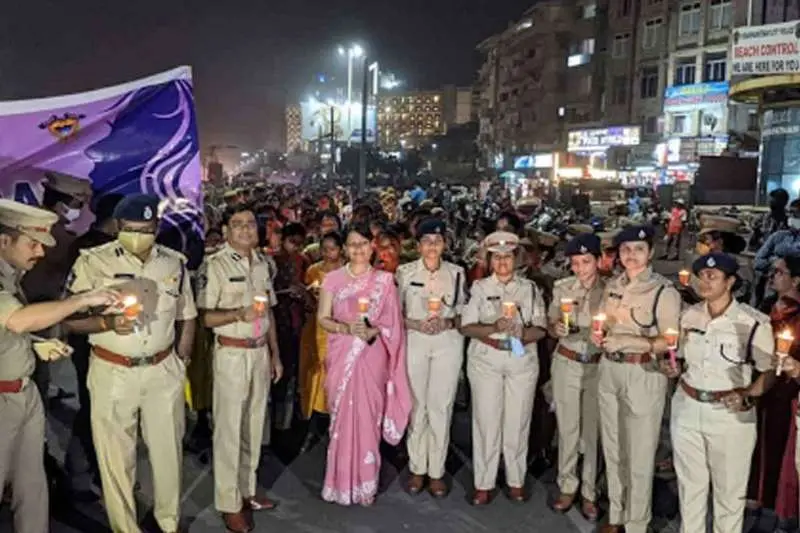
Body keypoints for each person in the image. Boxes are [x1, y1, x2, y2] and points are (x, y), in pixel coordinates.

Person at [64, 194, 197, 533]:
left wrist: (182, 357)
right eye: (131, 229)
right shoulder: (94, 262)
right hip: (112, 370)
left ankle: (168, 523)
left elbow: (187, 314)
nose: (138, 236)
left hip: (162, 370)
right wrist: (106, 323)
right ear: (117, 227)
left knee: (168, 454)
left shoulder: (173, 263)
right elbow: (70, 320)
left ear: (157, 228)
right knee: (115, 458)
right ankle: (125, 527)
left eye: (146, 230)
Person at [0, 199, 118, 533]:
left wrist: (36, 346)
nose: (40, 252)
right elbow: (17, 320)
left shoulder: (11, 275)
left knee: (32, 483)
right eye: (32, 243)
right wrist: (82, 300)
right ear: (4, 241)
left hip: (23, 392)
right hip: (3, 399)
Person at [663, 252, 775, 533]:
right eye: (702, 276)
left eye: (712, 276)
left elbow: (769, 371)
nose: (705, 281)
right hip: (687, 409)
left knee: (729, 496)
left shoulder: (753, 323)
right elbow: (679, 357)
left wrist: (748, 393)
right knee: (690, 490)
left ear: (730, 281)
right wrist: (672, 366)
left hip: (730, 417)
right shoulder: (688, 316)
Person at [196, 204, 283, 533]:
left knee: (254, 425)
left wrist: (275, 354)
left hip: (259, 352)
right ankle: (229, 503)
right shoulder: (214, 265)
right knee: (229, 430)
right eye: (238, 224)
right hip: (231, 353)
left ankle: (248, 490)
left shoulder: (264, 263)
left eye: (250, 224)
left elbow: (269, 312)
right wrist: (236, 315)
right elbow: (204, 317)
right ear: (226, 230)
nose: (246, 229)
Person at [591, 225, 681, 533]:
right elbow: (603, 324)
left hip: (642, 372)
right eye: (625, 249)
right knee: (613, 446)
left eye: (638, 249)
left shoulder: (663, 292)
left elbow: (671, 340)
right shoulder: (613, 286)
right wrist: (599, 335)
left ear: (650, 252)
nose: (631, 255)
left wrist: (632, 343)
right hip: (610, 370)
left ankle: (636, 523)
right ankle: (616, 514)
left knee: (640, 453)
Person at [315, 222, 412, 506]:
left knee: (369, 417)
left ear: (372, 247)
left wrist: (374, 330)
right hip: (342, 352)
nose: (358, 249)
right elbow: (322, 318)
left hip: (372, 354)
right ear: (345, 249)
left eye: (363, 243)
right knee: (341, 418)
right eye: (352, 244)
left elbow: (393, 323)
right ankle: (340, 483)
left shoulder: (385, 281)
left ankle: (365, 484)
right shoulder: (333, 279)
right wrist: (346, 329)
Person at [460, 231, 548, 505]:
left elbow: (541, 328)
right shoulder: (479, 288)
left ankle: (515, 479)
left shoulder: (529, 289)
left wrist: (523, 333)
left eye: (507, 257)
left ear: (516, 259)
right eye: (496, 257)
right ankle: (483, 482)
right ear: (489, 260)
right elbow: (466, 326)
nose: (502, 262)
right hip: (487, 358)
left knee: (518, 421)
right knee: (486, 421)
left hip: (521, 358)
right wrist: (493, 327)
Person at [396, 218, 467, 498]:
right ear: (418, 246)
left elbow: (463, 313)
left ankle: (436, 471)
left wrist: (448, 323)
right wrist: (415, 324)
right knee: (417, 405)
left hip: (447, 342)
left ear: (445, 244)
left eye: (437, 241)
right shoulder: (405, 273)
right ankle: (417, 467)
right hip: (416, 340)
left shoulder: (457, 273)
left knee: (441, 405)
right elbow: (395, 314)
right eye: (426, 241)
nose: (432, 246)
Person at [63, 193, 124, 498]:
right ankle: (83, 474)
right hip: (92, 337)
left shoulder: (84, 243)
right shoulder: (94, 251)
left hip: (94, 337)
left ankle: (92, 471)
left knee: (99, 407)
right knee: (95, 407)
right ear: (116, 220)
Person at [548, 233, 605, 522]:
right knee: (568, 428)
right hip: (567, 361)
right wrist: (556, 327)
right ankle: (567, 484)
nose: (581, 268)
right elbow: (551, 321)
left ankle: (589, 490)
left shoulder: (611, 291)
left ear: (598, 261)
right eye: (576, 263)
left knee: (592, 432)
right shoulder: (562, 287)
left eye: (586, 261)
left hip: (597, 366)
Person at [747, 254, 800, 524]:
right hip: (760, 383)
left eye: (779, 272)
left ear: (796, 280)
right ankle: (754, 497)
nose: (772, 276)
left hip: (787, 392)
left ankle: (777, 508)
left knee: (779, 446)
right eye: (772, 271)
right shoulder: (767, 306)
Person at [299, 230, 344, 452]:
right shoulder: (314, 271)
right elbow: (307, 302)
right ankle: (314, 424)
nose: (328, 254)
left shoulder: (349, 272)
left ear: (341, 250)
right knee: (317, 372)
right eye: (324, 249)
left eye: (332, 249)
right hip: (317, 329)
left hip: (340, 329)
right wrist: (309, 296)